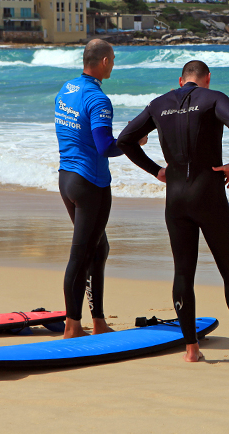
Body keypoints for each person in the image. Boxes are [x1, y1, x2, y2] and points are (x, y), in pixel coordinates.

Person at [117, 60, 229, 364]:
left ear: (181, 79)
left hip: (175, 198)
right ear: (207, 80)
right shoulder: (213, 98)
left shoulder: (159, 104)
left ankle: (191, 350)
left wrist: (157, 171)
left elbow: (124, 140)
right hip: (208, 195)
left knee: (183, 272)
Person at [55, 39, 144, 338]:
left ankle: (98, 321)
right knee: (81, 255)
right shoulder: (98, 100)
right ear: (105, 62)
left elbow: (75, 133)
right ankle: (72, 326)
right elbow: (106, 147)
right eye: (114, 59)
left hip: (67, 178)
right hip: (91, 183)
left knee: (98, 248)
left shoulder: (66, 90)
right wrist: (133, 141)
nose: (114, 63)